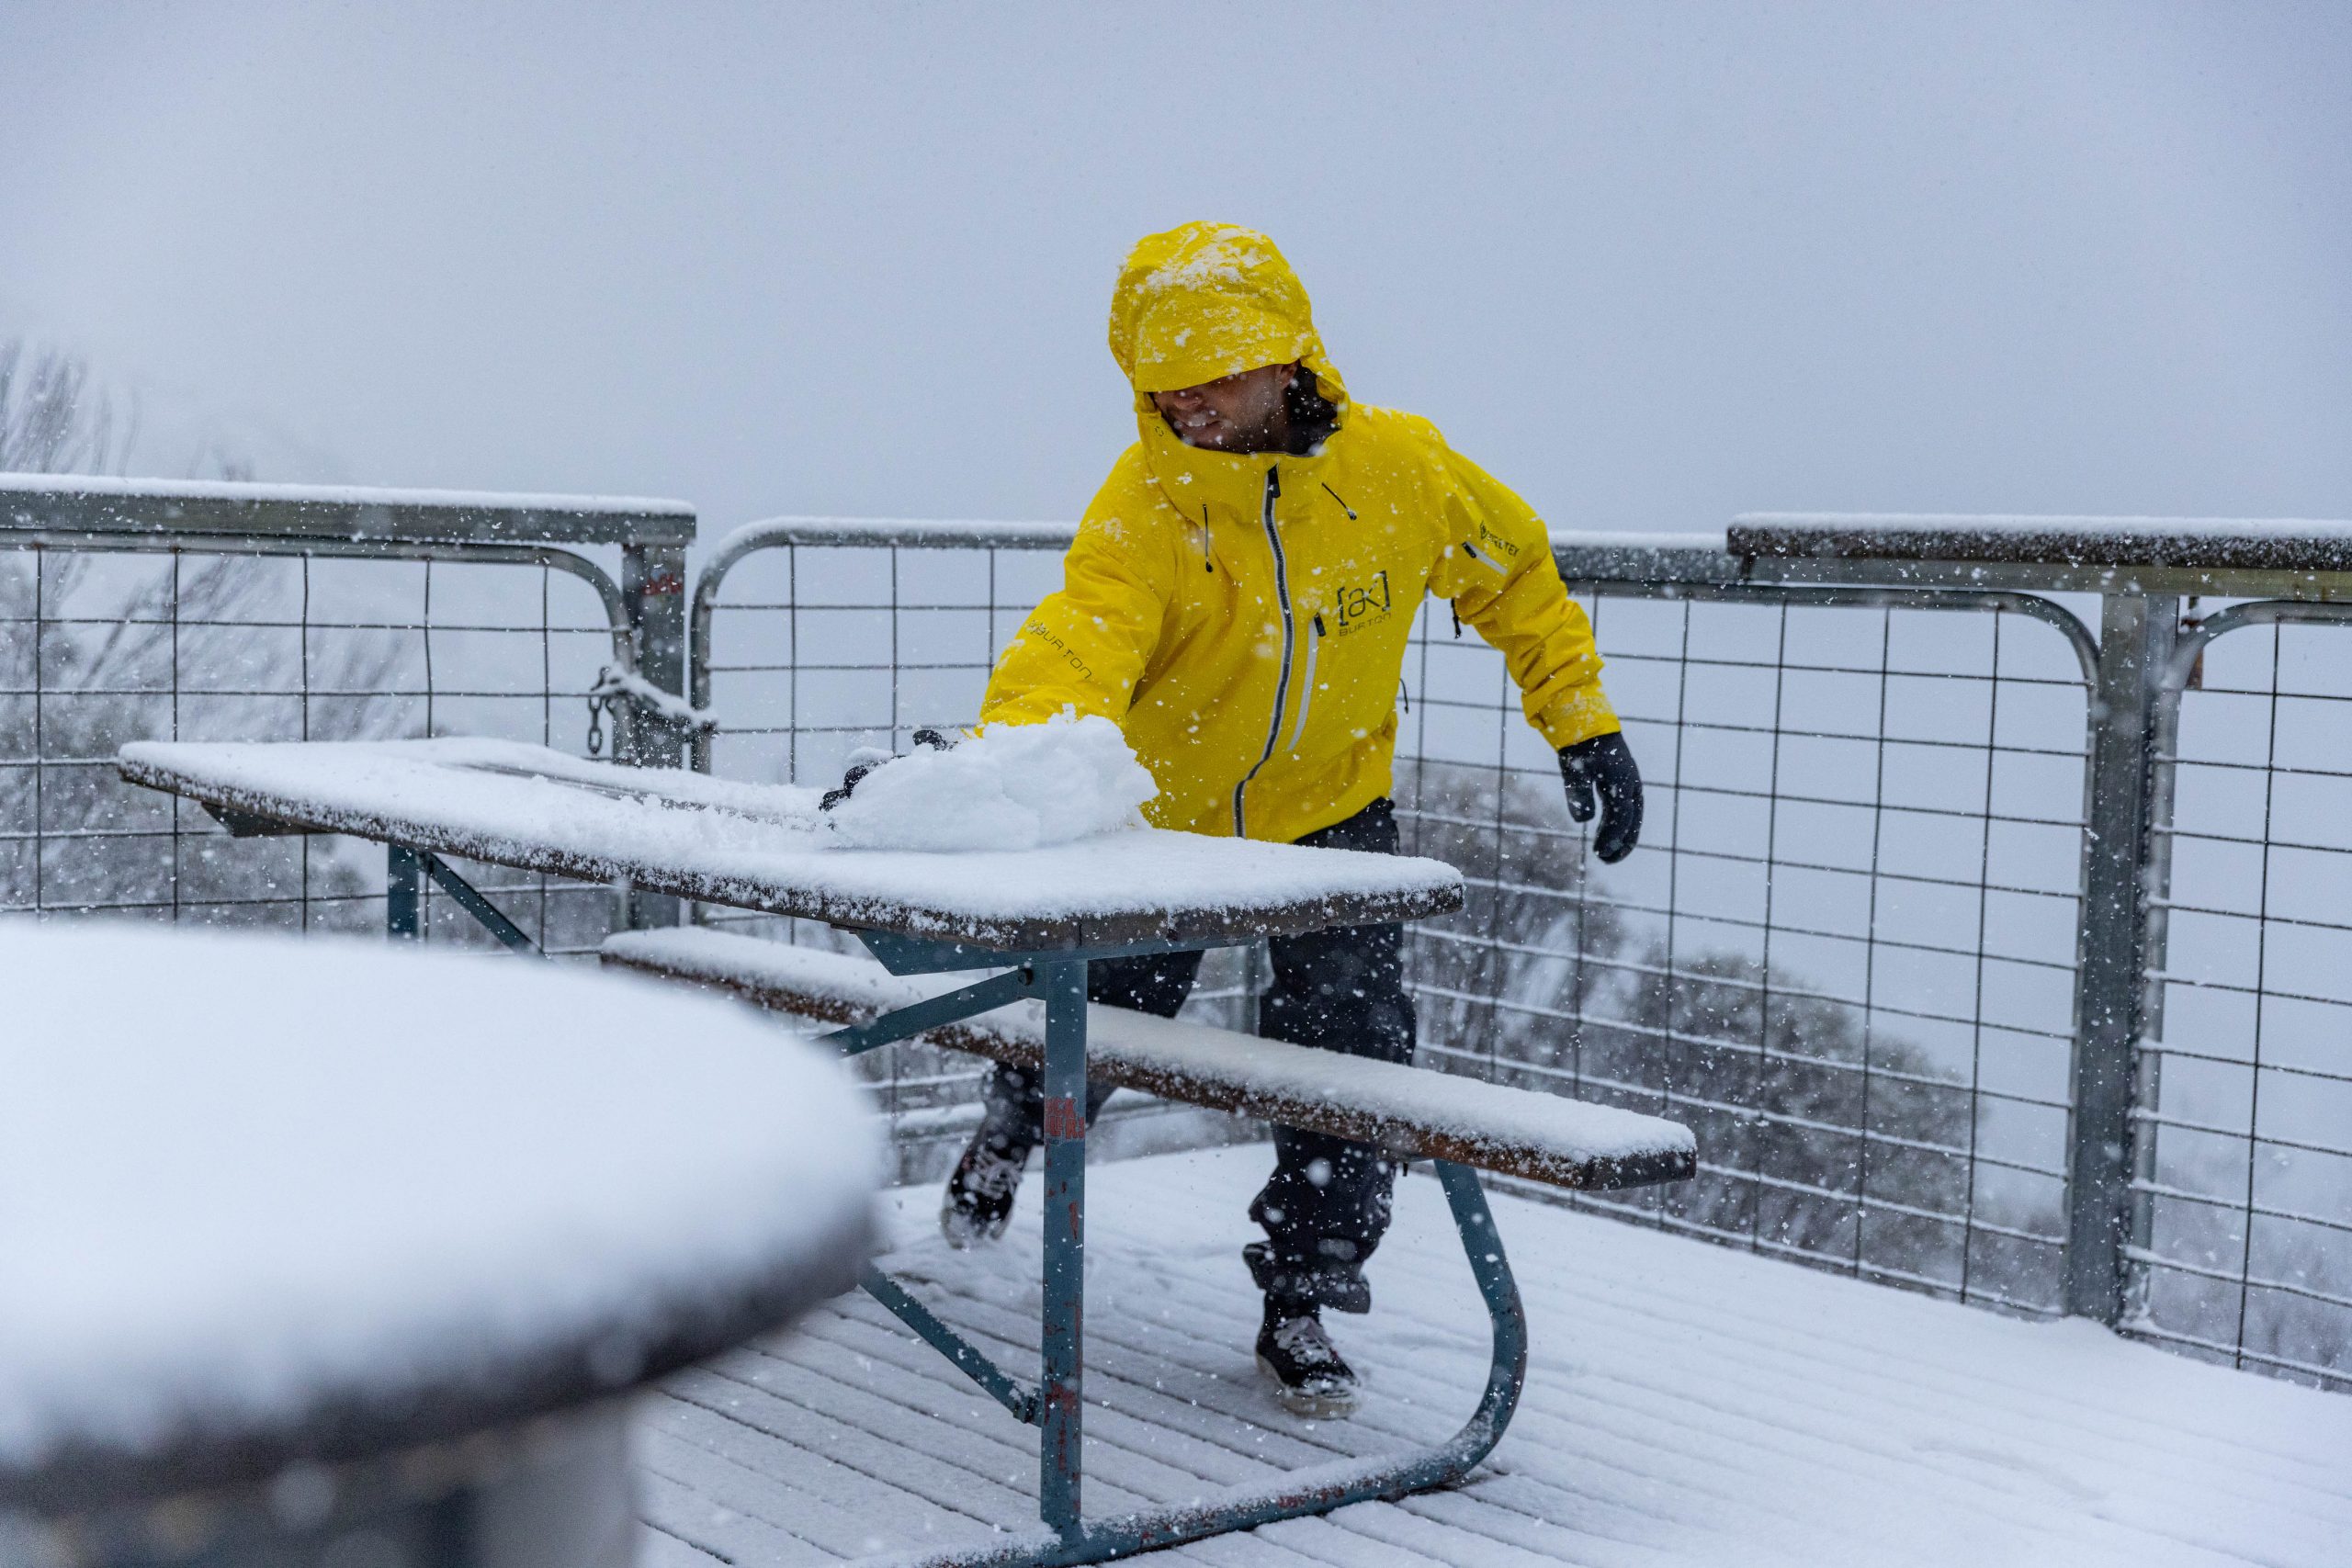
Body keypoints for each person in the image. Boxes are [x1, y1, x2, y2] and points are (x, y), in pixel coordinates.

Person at [842, 221, 1641, 1417]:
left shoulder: (1404, 472)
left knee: (1350, 1051)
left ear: (1287, 358)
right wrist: (999, 761)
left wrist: (1581, 722)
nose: (1192, 408)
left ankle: (1304, 1297)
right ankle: (1012, 1131)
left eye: (1215, 377)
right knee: (1100, 1017)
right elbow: (1077, 641)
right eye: (1164, 390)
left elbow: (1512, 569)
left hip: (1335, 815)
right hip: (1162, 830)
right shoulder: (1151, 500)